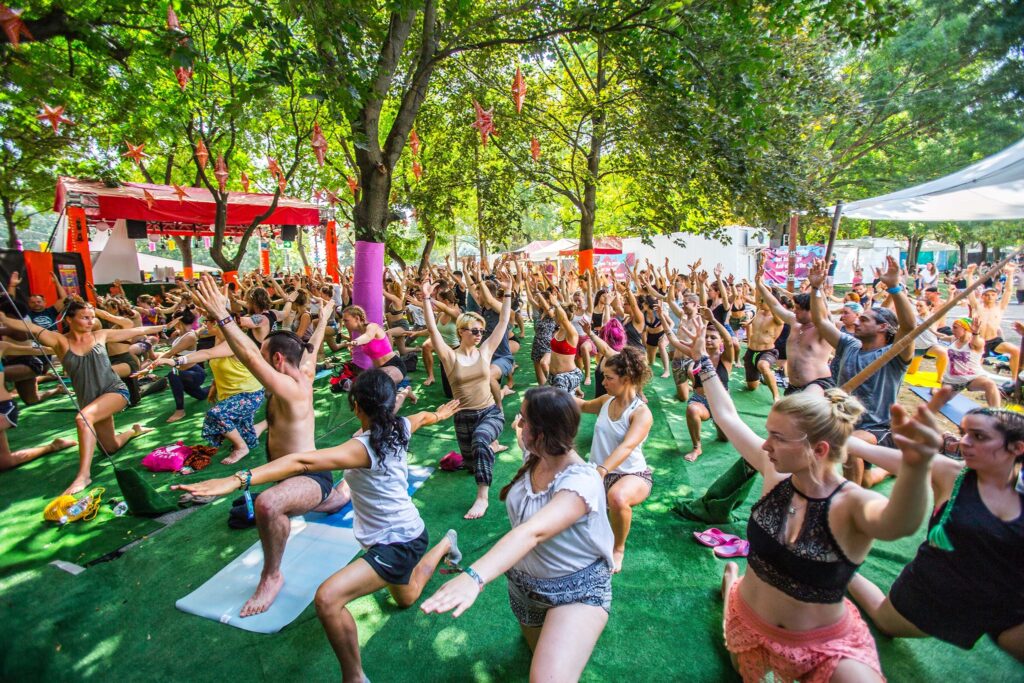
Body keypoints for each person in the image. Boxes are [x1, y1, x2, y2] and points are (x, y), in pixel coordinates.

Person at [676, 317, 942, 683]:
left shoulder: (851, 502)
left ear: (818, 449)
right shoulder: (777, 473)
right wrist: (704, 361)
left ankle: (732, 581)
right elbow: (728, 416)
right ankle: (731, 584)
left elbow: (902, 522)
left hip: (823, 643)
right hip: (748, 621)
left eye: (777, 438)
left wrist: (916, 468)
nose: (765, 445)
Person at [174, 370, 462, 682]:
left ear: (356, 406)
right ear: (390, 405)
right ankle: (447, 543)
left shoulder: (362, 447)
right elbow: (420, 417)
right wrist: (436, 414)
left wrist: (236, 480)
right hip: (408, 534)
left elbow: (303, 462)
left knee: (328, 599)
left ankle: (354, 677)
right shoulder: (400, 426)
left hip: (398, 543)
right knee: (406, 598)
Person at [421, 387, 614, 683]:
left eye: (523, 420)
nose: (518, 423)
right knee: (535, 656)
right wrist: (523, 429)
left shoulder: (582, 481)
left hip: (578, 592)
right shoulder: (536, 455)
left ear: (542, 433)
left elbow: (532, 532)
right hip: (524, 589)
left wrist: (474, 577)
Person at [847, 400, 1024, 662]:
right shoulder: (951, 472)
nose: (964, 442)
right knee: (885, 621)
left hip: (1007, 602)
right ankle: (844, 568)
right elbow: (863, 448)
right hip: (938, 588)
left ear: (1017, 448)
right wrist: (835, 431)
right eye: (963, 433)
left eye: (978, 436)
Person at [0, 300, 159, 494]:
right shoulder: (60, 341)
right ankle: (135, 431)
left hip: (115, 391)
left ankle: (83, 475)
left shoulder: (100, 335)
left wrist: (165, 325)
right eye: (85, 317)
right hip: (90, 400)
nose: (91, 321)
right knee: (110, 447)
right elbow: (29, 326)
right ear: (69, 319)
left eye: (92, 317)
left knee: (83, 419)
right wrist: (3, 319)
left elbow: (134, 331)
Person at [809, 256, 916, 488]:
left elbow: (909, 327)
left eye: (864, 320)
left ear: (883, 327)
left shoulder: (895, 354)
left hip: (877, 427)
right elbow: (820, 320)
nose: (856, 322)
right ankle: (888, 470)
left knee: (848, 446)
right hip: (846, 420)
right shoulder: (849, 345)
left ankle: (849, 502)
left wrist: (895, 287)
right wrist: (816, 288)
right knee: (865, 479)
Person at [422, 267, 512, 520]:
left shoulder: (485, 351)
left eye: (481, 331)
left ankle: (482, 498)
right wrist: (427, 297)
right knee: (473, 463)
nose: (479, 334)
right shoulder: (450, 357)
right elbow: (431, 328)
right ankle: (487, 450)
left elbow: (503, 322)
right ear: (461, 331)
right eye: (474, 330)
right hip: (463, 418)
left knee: (481, 440)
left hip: (490, 413)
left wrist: (508, 292)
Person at [576, 347, 653, 573]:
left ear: (627, 379)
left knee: (617, 497)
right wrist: (551, 396)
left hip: (632, 475)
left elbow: (627, 446)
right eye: (604, 377)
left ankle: (618, 548)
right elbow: (581, 405)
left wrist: (601, 470)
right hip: (599, 473)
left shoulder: (641, 413)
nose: (604, 382)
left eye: (609, 378)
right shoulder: (606, 400)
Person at [663, 307, 734, 462]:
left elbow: (729, 340)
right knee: (691, 409)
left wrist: (713, 319)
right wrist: (663, 318)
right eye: (706, 336)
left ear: (720, 341)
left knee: (724, 439)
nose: (708, 339)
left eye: (713, 337)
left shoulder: (726, 359)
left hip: (721, 403)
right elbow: (674, 341)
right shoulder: (696, 355)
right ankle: (697, 447)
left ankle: (719, 425)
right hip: (701, 401)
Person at [755, 264, 835, 396]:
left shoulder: (823, 328)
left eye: (798, 309)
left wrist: (817, 287)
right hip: (793, 387)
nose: (794, 311)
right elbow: (775, 305)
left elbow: (824, 310)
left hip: (818, 387)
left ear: (811, 311)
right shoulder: (794, 321)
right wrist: (760, 285)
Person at [0, 340, 76, 470]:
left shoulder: (2, 346)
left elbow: (38, 350)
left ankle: (54, 446)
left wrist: (67, 346)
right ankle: (53, 446)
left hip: (4, 409)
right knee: (5, 462)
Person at [968, 262, 1020, 379]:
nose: (990, 297)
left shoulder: (1000, 307)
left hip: (994, 341)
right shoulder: (977, 306)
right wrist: (970, 274)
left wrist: (1010, 274)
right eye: (987, 295)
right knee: (974, 368)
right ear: (982, 296)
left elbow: (1008, 291)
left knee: (1015, 351)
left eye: (993, 295)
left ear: (996, 296)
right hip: (978, 340)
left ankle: (1014, 379)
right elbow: (970, 291)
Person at [933, 318, 1000, 408]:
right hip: (952, 381)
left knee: (990, 384)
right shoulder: (954, 339)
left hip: (972, 378)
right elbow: (942, 336)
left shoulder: (975, 343)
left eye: (955, 327)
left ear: (965, 329)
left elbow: (976, 341)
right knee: (939, 399)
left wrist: (975, 333)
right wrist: (928, 329)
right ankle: (934, 390)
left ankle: (997, 413)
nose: (952, 330)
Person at [742, 288, 785, 403]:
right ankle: (761, 377)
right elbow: (757, 298)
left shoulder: (778, 317)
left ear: (771, 302)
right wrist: (758, 283)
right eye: (760, 300)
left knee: (763, 365)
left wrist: (770, 299)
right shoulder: (759, 312)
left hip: (767, 351)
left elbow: (777, 314)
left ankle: (776, 396)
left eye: (763, 301)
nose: (760, 302)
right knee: (752, 387)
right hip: (751, 351)